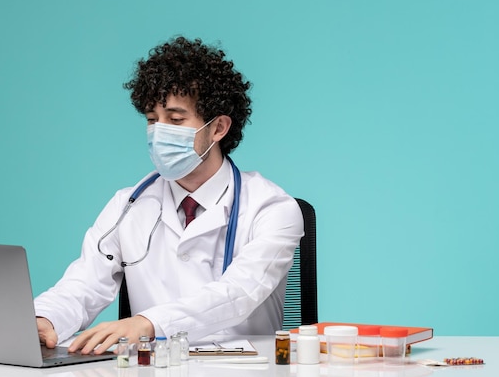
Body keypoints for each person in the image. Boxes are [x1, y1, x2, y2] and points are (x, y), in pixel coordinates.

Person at [35, 36, 303, 355]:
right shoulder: (129, 204)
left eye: (175, 120)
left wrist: (148, 323)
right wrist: (46, 317)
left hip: (241, 370)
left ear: (218, 128)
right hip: (154, 370)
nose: (158, 132)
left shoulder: (270, 208)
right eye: (152, 120)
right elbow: (85, 282)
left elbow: (240, 293)